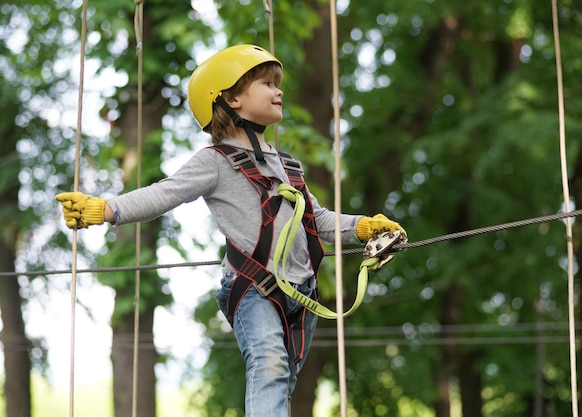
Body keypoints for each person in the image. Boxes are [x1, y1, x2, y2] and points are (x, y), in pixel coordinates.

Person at [55, 44, 406, 416]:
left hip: (301, 294)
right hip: (254, 288)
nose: (279, 91)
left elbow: (316, 220)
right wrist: (108, 209)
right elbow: (165, 193)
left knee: (281, 378)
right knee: (269, 366)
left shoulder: (286, 165)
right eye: (267, 84)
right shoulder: (215, 162)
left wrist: (364, 227)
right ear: (232, 98)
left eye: (277, 84)